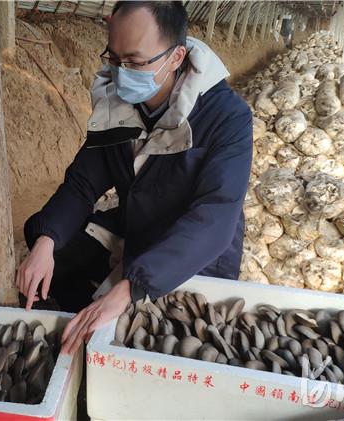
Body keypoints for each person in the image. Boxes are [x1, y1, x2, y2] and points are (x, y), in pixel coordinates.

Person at [17, 1, 253, 355]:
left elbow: (215, 218)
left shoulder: (226, 117)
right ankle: (82, 313)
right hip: (138, 225)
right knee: (47, 236)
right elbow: (83, 182)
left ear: (176, 57)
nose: (122, 72)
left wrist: (132, 287)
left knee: (174, 337)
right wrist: (46, 241)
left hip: (193, 254)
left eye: (135, 62)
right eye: (114, 59)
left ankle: (112, 305)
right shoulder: (118, 107)